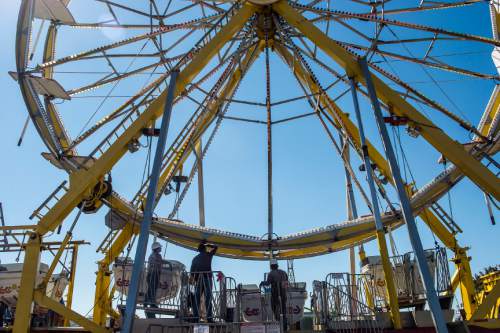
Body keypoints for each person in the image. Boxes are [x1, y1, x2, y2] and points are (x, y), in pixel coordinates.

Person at [190, 241, 218, 322]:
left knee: (196, 299)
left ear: (199, 250)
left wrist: (195, 280)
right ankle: (209, 318)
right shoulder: (208, 255)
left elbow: (192, 272)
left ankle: (195, 317)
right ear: (205, 248)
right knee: (208, 299)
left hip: (198, 280)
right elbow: (216, 247)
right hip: (207, 279)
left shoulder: (195, 258)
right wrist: (208, 244)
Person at [263, 259, 288, 328]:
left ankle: (278, 324)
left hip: (275, 294)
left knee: (274, 308)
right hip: (283, 294)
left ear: (271, 266)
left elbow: (268, 283)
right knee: (283, 309)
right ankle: (284, 325)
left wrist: (263, 283)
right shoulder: (284, 272)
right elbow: (286, 283)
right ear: (277, 265)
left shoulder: (271, 273)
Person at [144, 241, 165, 318]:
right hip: (153, 274)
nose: (160, 249)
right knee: (153, 289)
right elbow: (158, 264)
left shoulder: (151, 256)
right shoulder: (157, 255)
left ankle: (146, 301)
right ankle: (152, 304)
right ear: (157, 248)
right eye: (160, 247)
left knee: (151, 289)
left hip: (151, 274)